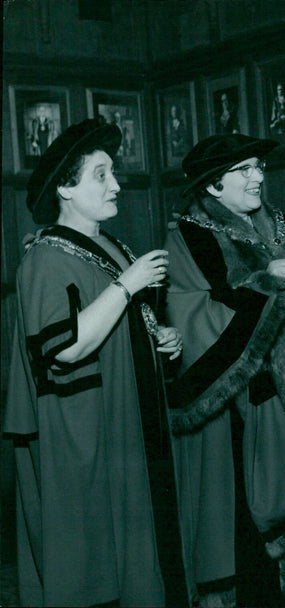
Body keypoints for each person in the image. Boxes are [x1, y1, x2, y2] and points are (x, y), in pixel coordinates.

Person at [164, 133, 285, 606]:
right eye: (244, 170)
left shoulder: (276, 221)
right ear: (212, 187)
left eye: (258, 167)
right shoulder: (189, 234)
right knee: (248, 522)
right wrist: (268, 289)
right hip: (243, 402)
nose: (258, 177)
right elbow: (192, 311)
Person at [3, 117, 185, 606]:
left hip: (123, 423)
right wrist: (128, 285)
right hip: (83, 431)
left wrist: (159, 338)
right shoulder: (44, 257)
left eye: (113, 173)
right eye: (100, 175)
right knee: (95, 563)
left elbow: (119, 322)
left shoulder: (110, 245)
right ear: (66, 187)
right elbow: (64, 347)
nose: (116, 185)